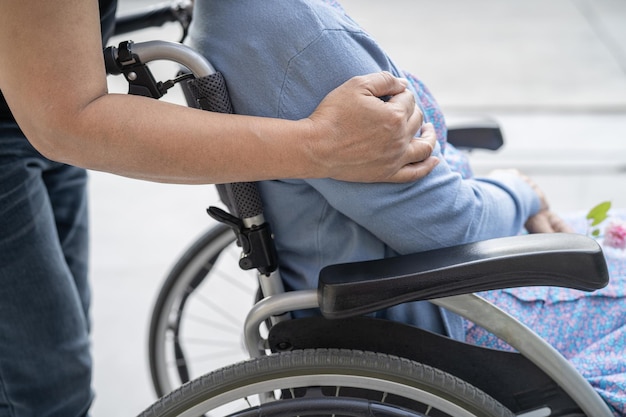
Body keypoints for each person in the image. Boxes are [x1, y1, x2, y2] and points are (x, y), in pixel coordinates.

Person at [0, 0, 441, 416]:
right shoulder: (297, 36)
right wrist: (320, 145)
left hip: (31, 98)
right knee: (45, 388)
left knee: (51, 359)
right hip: (28, 118)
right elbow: (67, 121)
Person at [186, 0, 625, 415]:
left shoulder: (229, 21)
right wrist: (521, 190)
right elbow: (453, 224)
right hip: (440, 310)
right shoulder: (297, 40)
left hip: (382, 290)